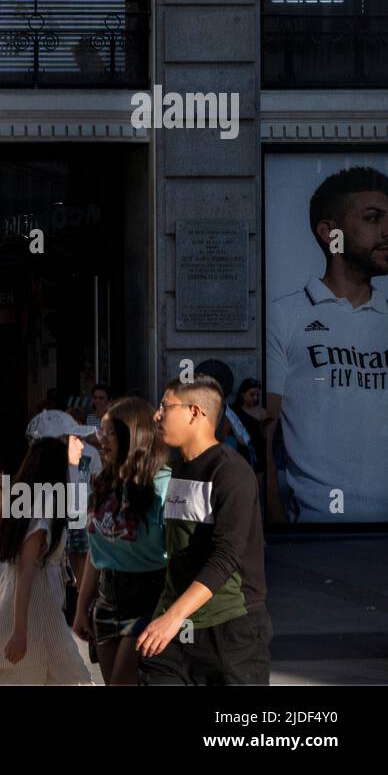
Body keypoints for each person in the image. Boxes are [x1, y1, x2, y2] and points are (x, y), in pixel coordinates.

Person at [266, 166, 388, 522]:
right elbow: (266, 430)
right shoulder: (284, 316)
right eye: (372, 218)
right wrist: (279, 527)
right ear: (329, 233)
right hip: (318, 530)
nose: (386, 230)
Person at [137, 375, 270, 685]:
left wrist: (172, 617)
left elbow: (226, 556)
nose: (157, 415)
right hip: (174, 631)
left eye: (165, 406)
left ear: (194, 412)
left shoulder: (231, 472)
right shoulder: (175, 468)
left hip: (231, 632)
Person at [0, 437, 92, 685]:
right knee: (71, 676)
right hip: (37, 604)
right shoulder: (43, 507)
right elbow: (27, 568)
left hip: (17, 604)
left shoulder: (25, 503)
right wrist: (19, 630)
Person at [71, 397, 170, 685]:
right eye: (102, 432)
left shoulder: (163, 485)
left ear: (134, 435)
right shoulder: (104, 483)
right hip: (107, 598)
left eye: (111, 433)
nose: (103, 440)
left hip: (148, 597)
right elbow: (96, 552)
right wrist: (81, 607)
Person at [25, 408, 101, 586]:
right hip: (38, 606)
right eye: (74, 438)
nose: (82, 445)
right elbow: (24, 571)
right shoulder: (41, 505)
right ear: (57, 444)